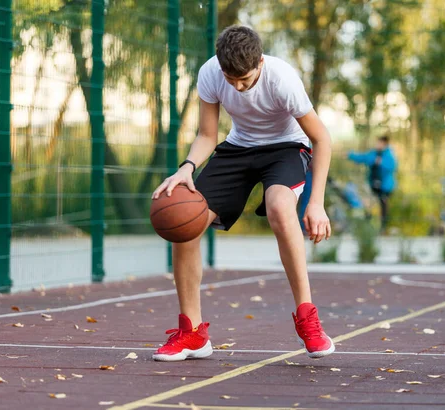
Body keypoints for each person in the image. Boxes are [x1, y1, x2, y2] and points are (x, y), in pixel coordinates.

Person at [151, 26, 334, 361]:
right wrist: (187, 168)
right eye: (230, 79)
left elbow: (321, 139)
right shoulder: (210, 73)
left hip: (286, 148)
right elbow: (207, 134)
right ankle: (192, 333)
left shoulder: (282, 80)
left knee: (280, 207)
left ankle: (308, 319)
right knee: (186, 215)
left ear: (260, 63)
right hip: (238, 148)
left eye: (245, 80)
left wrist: (316, 203)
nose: (237, 87)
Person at [348, 135, 397, 231]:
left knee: (383, 206)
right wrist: (351, 155)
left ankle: (382, 227)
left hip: (385, 187)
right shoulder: (374, 154)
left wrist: (380, 162)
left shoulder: (389, 155)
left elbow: (392, 167)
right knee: (369, 203)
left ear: (384, 144)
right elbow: (364, 158)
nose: (377, 144)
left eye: (379, 143)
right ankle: (369, 224)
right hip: (373, 184)